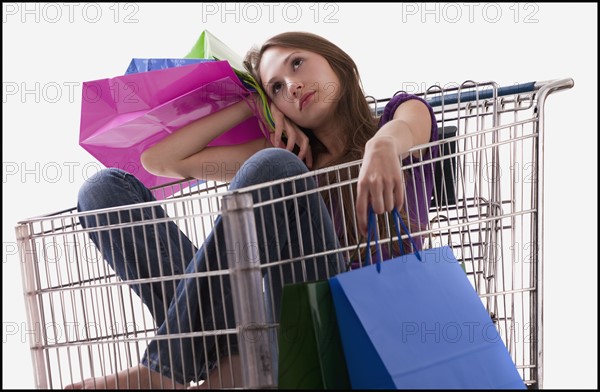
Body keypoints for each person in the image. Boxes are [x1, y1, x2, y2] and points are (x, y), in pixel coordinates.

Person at [68, 31, 438, 389]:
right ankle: (220, 360)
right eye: (275, 87)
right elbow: (159, 161)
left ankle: (168, 370)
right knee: (102, 190)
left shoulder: (397, 116)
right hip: (276, 325)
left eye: (297, 64)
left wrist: (383, 146)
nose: (292, 86)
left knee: (272, 166)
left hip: (349, 328)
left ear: (336, 61)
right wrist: (249, 103)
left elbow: (408, 128)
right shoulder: (289, 159)